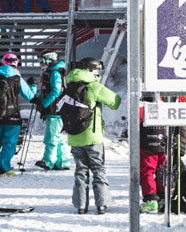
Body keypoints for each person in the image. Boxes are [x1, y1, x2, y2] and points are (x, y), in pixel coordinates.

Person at [64, 57, 121, 215]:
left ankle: (81, 205)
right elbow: (115, 102)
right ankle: (102, 204)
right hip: (93, 136)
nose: (98, 73)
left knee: (80, 171)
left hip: (74, 136)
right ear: (90, 70)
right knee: (98, 169)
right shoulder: (94, 87)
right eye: (97, 70)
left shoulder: (69, 85)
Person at [0, 53, 36, 177]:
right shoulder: (17, 78)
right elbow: (29, 96)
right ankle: (4, 168)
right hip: (12, 115)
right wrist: (34, 86)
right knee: (9, 142)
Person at [34, 52, 70, 171]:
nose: (41, 64)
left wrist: (44, 104)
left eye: (43, 61)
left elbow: (55, 91)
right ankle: (62, 161)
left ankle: (48, 161)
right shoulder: (50, 72)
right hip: (55, 109)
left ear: (50, 60)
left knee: (52, 137)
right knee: (57, 137)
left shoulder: (54, 73)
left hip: (54, 109)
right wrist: (39, 100)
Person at [139, 97, 166, 214]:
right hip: (164, 138)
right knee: (162, 169)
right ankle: (163, 198)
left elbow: (137, 117)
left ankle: (151, 199)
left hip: (147, 140)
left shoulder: (143, 99)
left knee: (147, 170)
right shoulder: (166, 98)